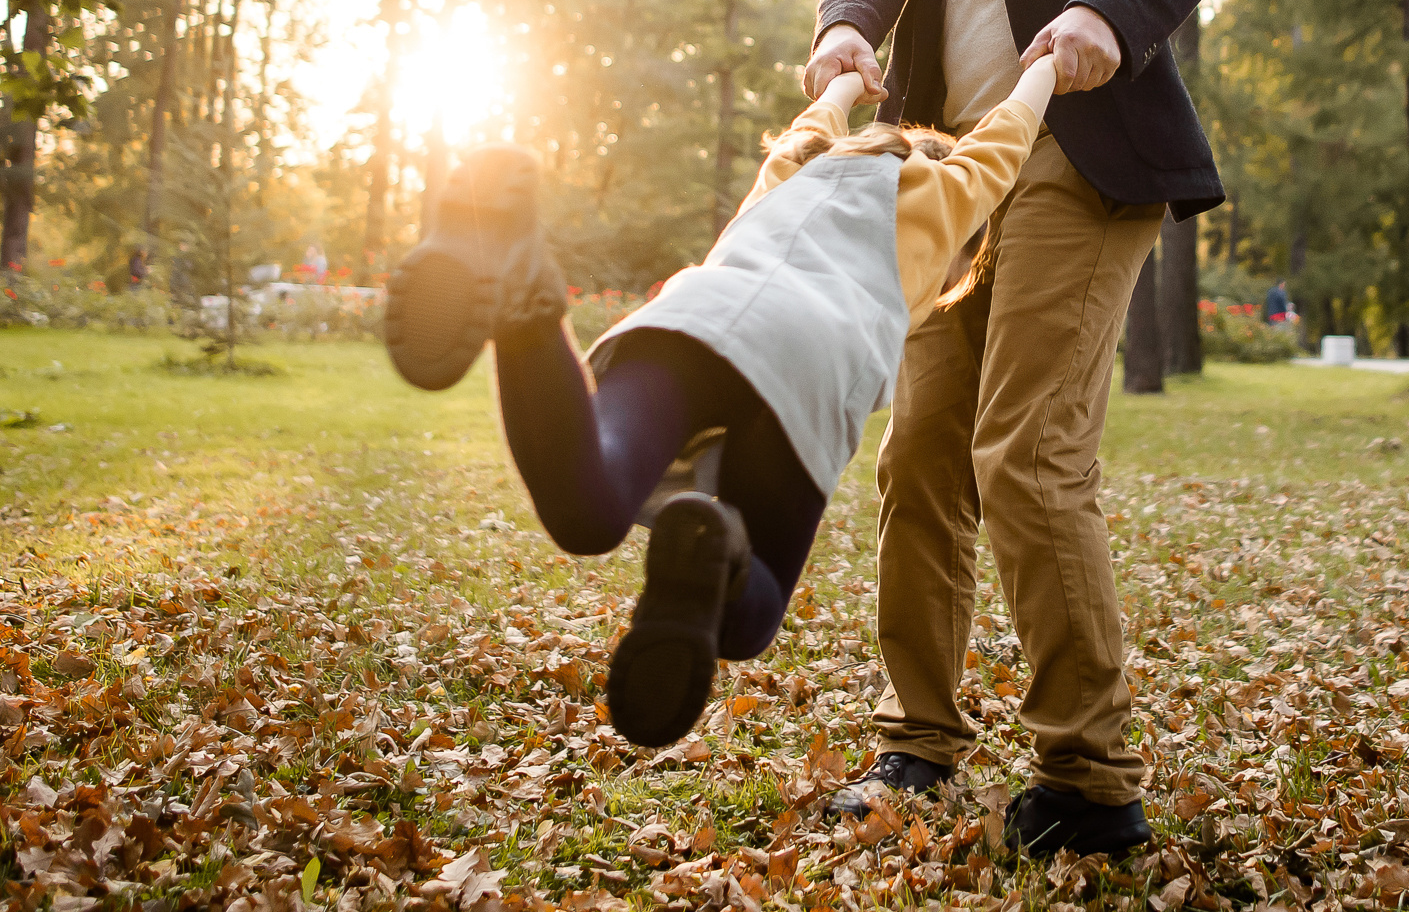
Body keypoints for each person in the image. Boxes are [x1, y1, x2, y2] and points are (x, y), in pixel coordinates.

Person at [804, 0, 1222, 857]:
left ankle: (1090, 781)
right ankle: (916, 748)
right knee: (921, 454)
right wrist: (843, 30)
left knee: (1023, 450)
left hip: (1075, 155)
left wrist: (1105, 13)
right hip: (948, 178)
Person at [381, 56, 1062, 749]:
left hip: (696, 316)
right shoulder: (946, 195)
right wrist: (1047, 70)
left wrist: (851, 82)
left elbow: (820, 116)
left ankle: (526, 310)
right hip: (811, 351)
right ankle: (722, 550)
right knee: (747, 614)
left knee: (588, 507)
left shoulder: (800, 163)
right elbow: (1004, 140)